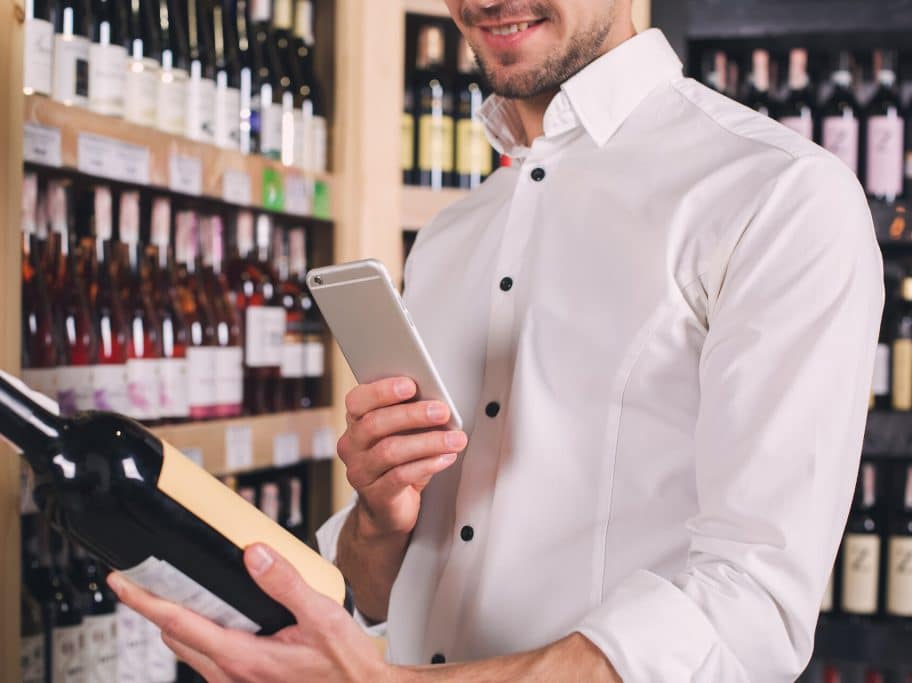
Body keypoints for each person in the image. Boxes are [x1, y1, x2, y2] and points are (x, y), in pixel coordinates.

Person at [108, 0, 884, 680]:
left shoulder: (776, 196)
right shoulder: (450, 237)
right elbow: (377, 591)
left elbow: (751, 607)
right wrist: (379, 522)